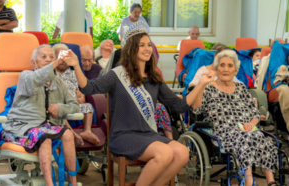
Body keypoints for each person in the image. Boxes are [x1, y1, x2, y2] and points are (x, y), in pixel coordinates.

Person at [62, 26, 217, 185]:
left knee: (182, 153)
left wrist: (202, 84)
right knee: (164, 153)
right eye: (141, 45)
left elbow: (179, 105)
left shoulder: (154, 78)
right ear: (131, 49)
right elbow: (88, 88)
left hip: (147, 134)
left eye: (149, 45)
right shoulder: (117, 75)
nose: (147, 48)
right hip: (123, 136)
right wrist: (75, 64)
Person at [191, 49, 278, 186]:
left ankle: (271, 181)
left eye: (230, 66)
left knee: (259, 136)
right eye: (222, 65)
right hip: (223, 132)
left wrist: (252, 123)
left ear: (236, 71)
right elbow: (197, 109)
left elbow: (255, 113)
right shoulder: (208, 87)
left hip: (246, 128)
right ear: (216, 68)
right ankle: (249, 181)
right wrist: (201, 84)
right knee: (249, 136)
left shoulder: (241, 87)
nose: (226, 69)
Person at [1, 45, 79, 186]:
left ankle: (73, 182)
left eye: (51, 57)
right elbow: (38, 78)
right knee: (44, 138)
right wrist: (56, 62)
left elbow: (74, 105)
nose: (48, 60)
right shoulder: (26, 76)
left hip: (46, 127)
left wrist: (60, 108)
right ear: (34, 62)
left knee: (67, 134)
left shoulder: (58, 82)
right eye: (43, 57)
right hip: (21, 126)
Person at [52, 43, 100, 145]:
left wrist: (81, 97)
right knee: (59, 110)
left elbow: (80, 89)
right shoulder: (50, 73)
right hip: (59, 105)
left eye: (65, 57)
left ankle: (87, 131)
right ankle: (72, 133)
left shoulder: (73, 73)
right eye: (59, 57)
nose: (62, 60)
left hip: (74, 103)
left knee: (88, 106)